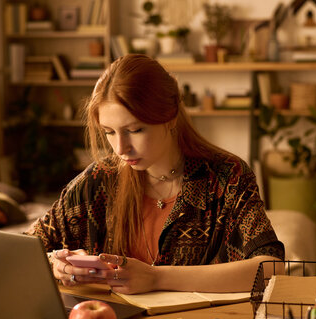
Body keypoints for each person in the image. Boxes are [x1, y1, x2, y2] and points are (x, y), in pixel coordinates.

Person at [26, 54, 284, 294]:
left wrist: (157, 277)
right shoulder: (99, 179)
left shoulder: (228, 178)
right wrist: (56, 264)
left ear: (170, 117)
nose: (120, 148)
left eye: (135, 130)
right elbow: (28, 248)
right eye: (109, 131)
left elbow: (271, 269)